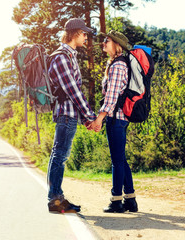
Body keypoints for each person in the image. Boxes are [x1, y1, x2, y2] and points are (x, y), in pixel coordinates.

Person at [47, 18, 97, 213]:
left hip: (69, 114)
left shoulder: (69, 56)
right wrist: (90, 117)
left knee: (59, 155)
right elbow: (74, 90)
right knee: (60, 156)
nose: (86, 37)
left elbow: (74, 91)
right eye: (84, 33)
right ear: (75, 33)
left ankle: (56, 198)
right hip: (66, 114)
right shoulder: (61, 57)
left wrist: (85, 118)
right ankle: (55, 200)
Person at [91, 30, 138, 213]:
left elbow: (111, 97)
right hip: (118, 118)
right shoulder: (116, 63)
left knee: (117, 161)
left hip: (116, 118)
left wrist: (100, 118)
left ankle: (116, 201)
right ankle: (131, 200)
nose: (103, 43)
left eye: (107, 41)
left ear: (117, 45)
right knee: (121, 159)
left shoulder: (118, 66)